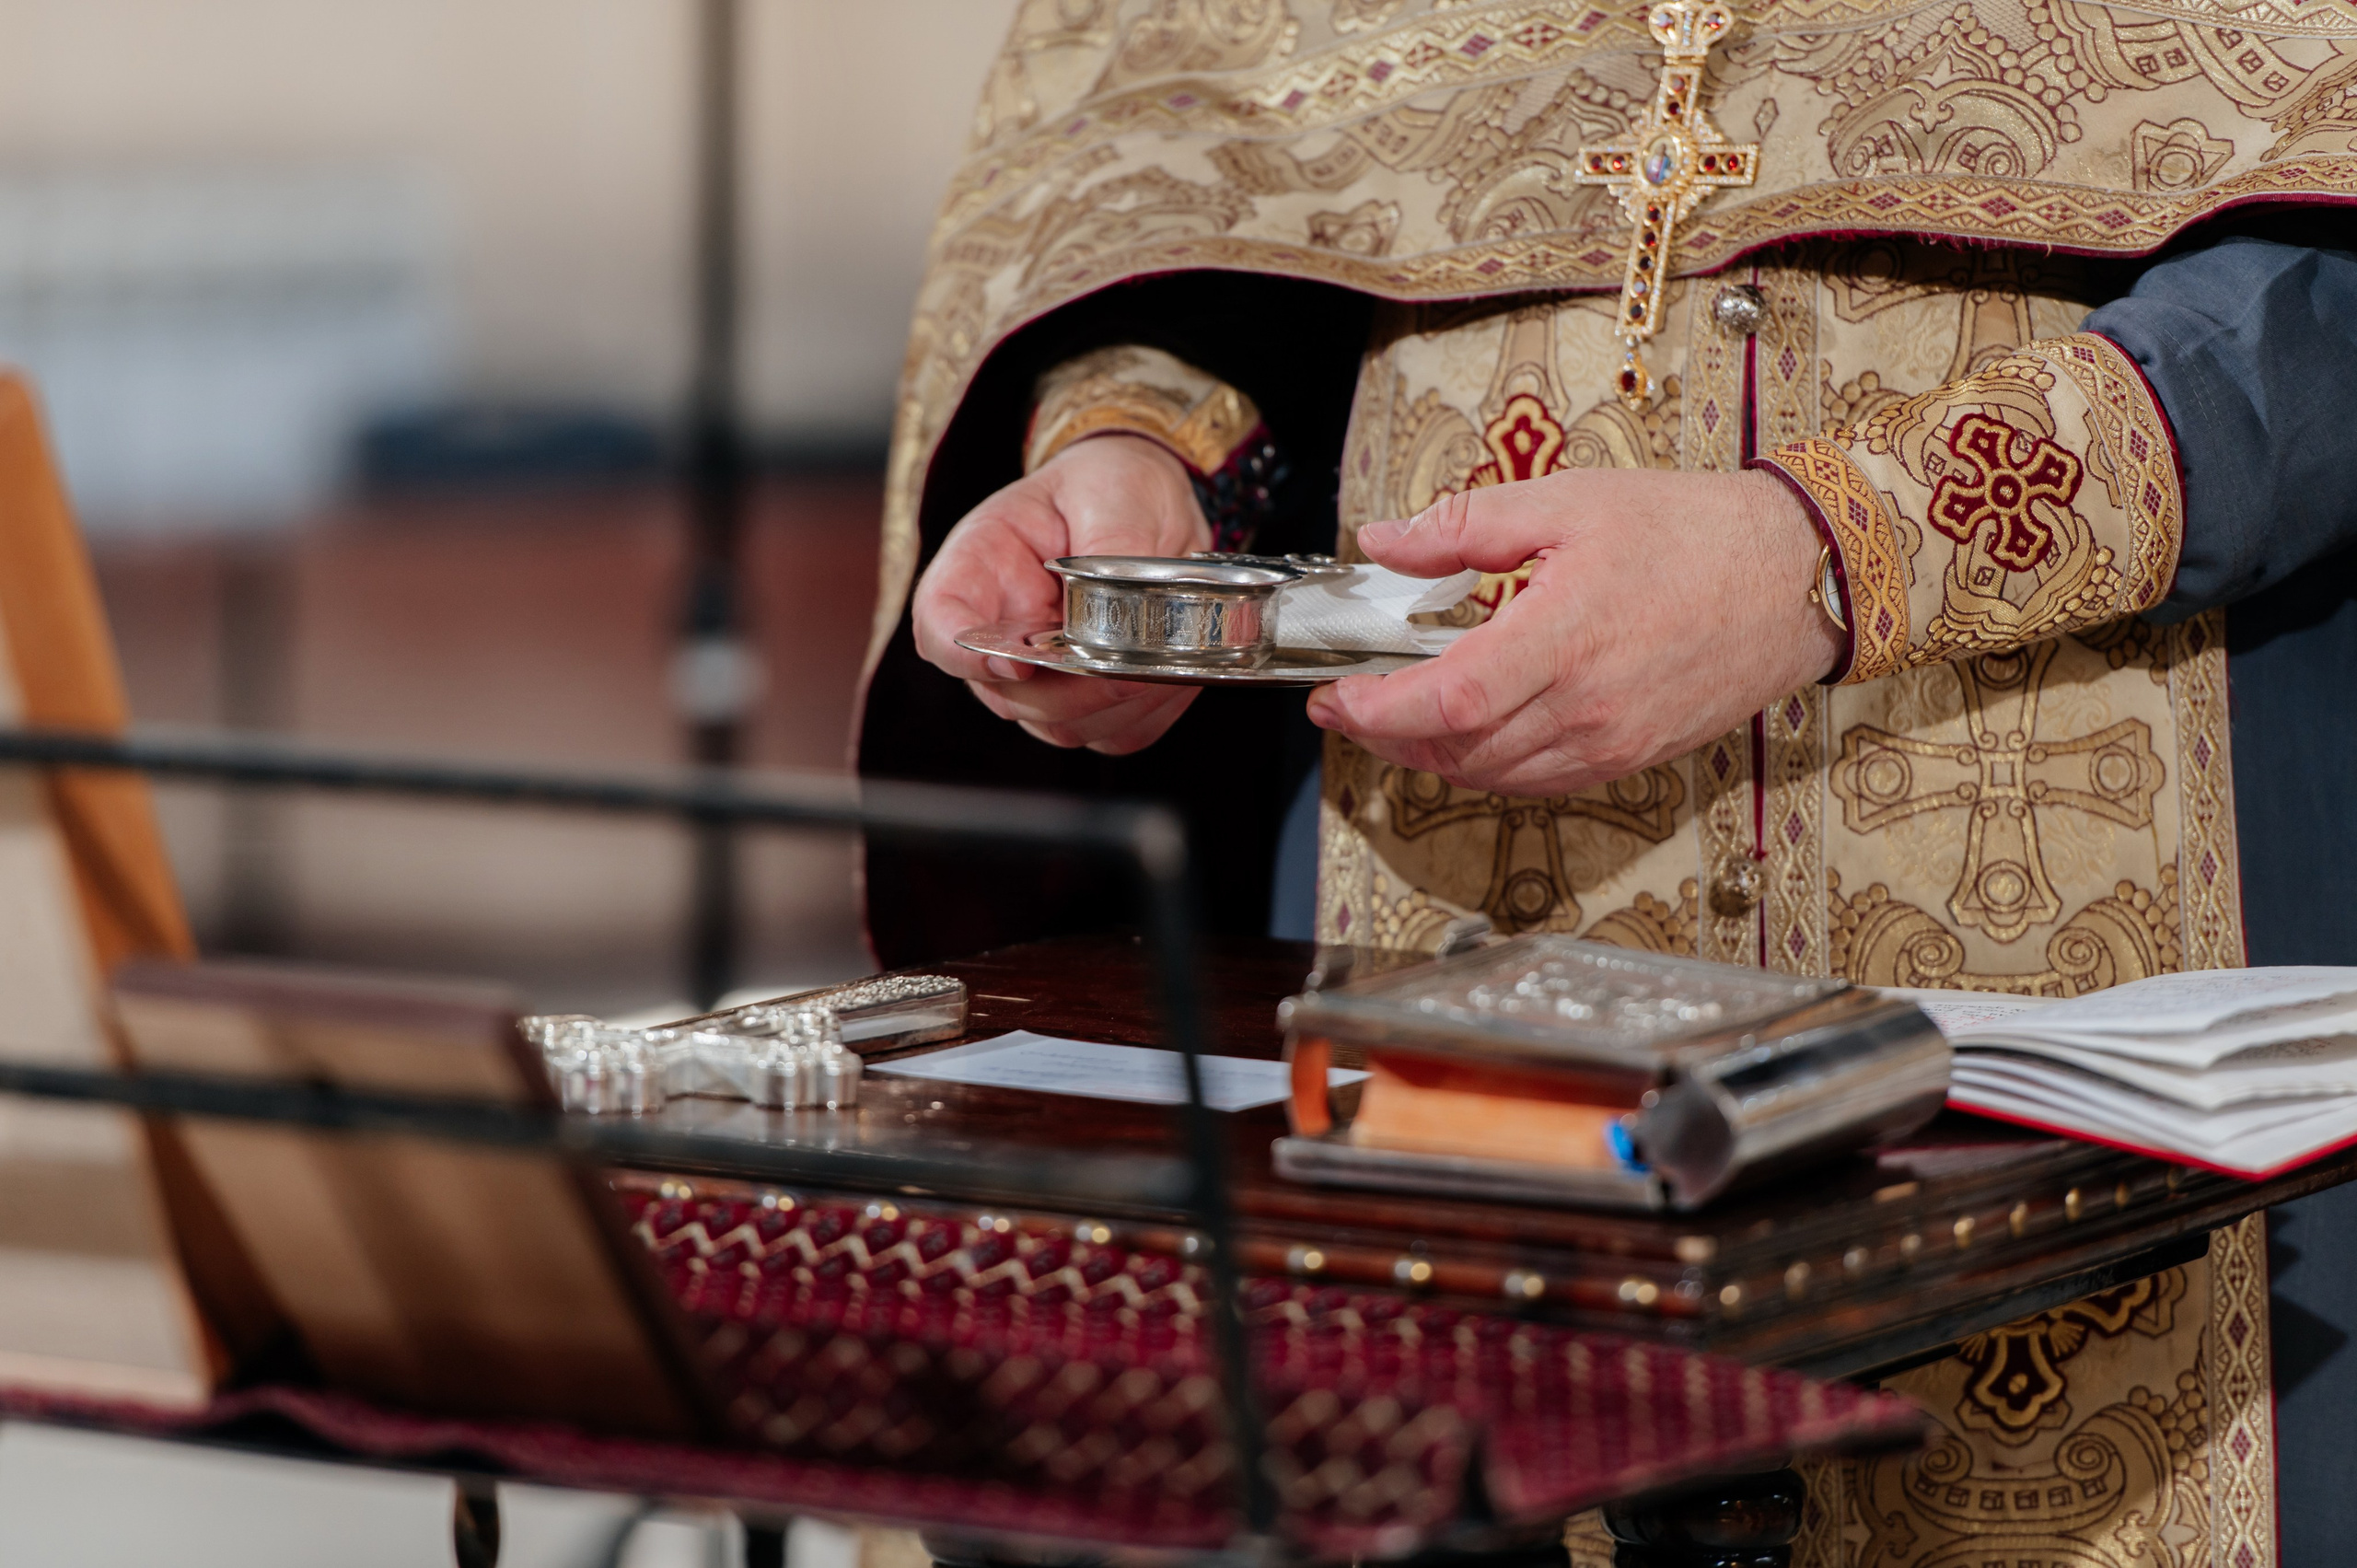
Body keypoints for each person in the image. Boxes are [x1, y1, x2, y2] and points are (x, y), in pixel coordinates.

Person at [857, 3, 2357, 1561]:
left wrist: (1828, 554)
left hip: (2098, 937)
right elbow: (1213, 197)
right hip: (1424, 957)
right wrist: (1144, 462)